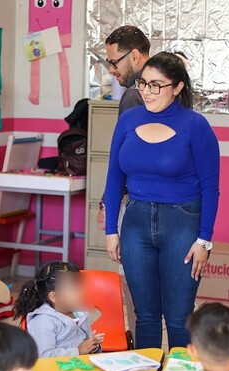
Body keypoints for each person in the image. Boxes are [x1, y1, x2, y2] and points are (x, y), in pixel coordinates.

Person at [104, 51, 220, 349]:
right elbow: (115, 176)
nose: (146, 91)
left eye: (157, 85)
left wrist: (204, 241)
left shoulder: (195, 125)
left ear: (178, 87)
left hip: (183, 224)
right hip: (136, 223)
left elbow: (210, 188)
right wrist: (110, 231)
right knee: (145, 316)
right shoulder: (129, 119)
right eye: (143, 83)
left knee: (180, 317)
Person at [96, 25, 150, 231]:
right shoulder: (169, 87)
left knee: (129, 263)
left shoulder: (135, 94)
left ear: (134, 55)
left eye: (114, 62)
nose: (111, 70)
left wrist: (107, 202)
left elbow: (126, 156)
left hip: (137, 200)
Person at [13, 262, 104, 358]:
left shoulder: (81, 314)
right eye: (73, 289)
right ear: (54, 297)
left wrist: (93, 345)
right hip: (55, 370)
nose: (80, 292)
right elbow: (44, 356)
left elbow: (86, 347)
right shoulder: (43, 321)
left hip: (79, 366)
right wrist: (78, 351)